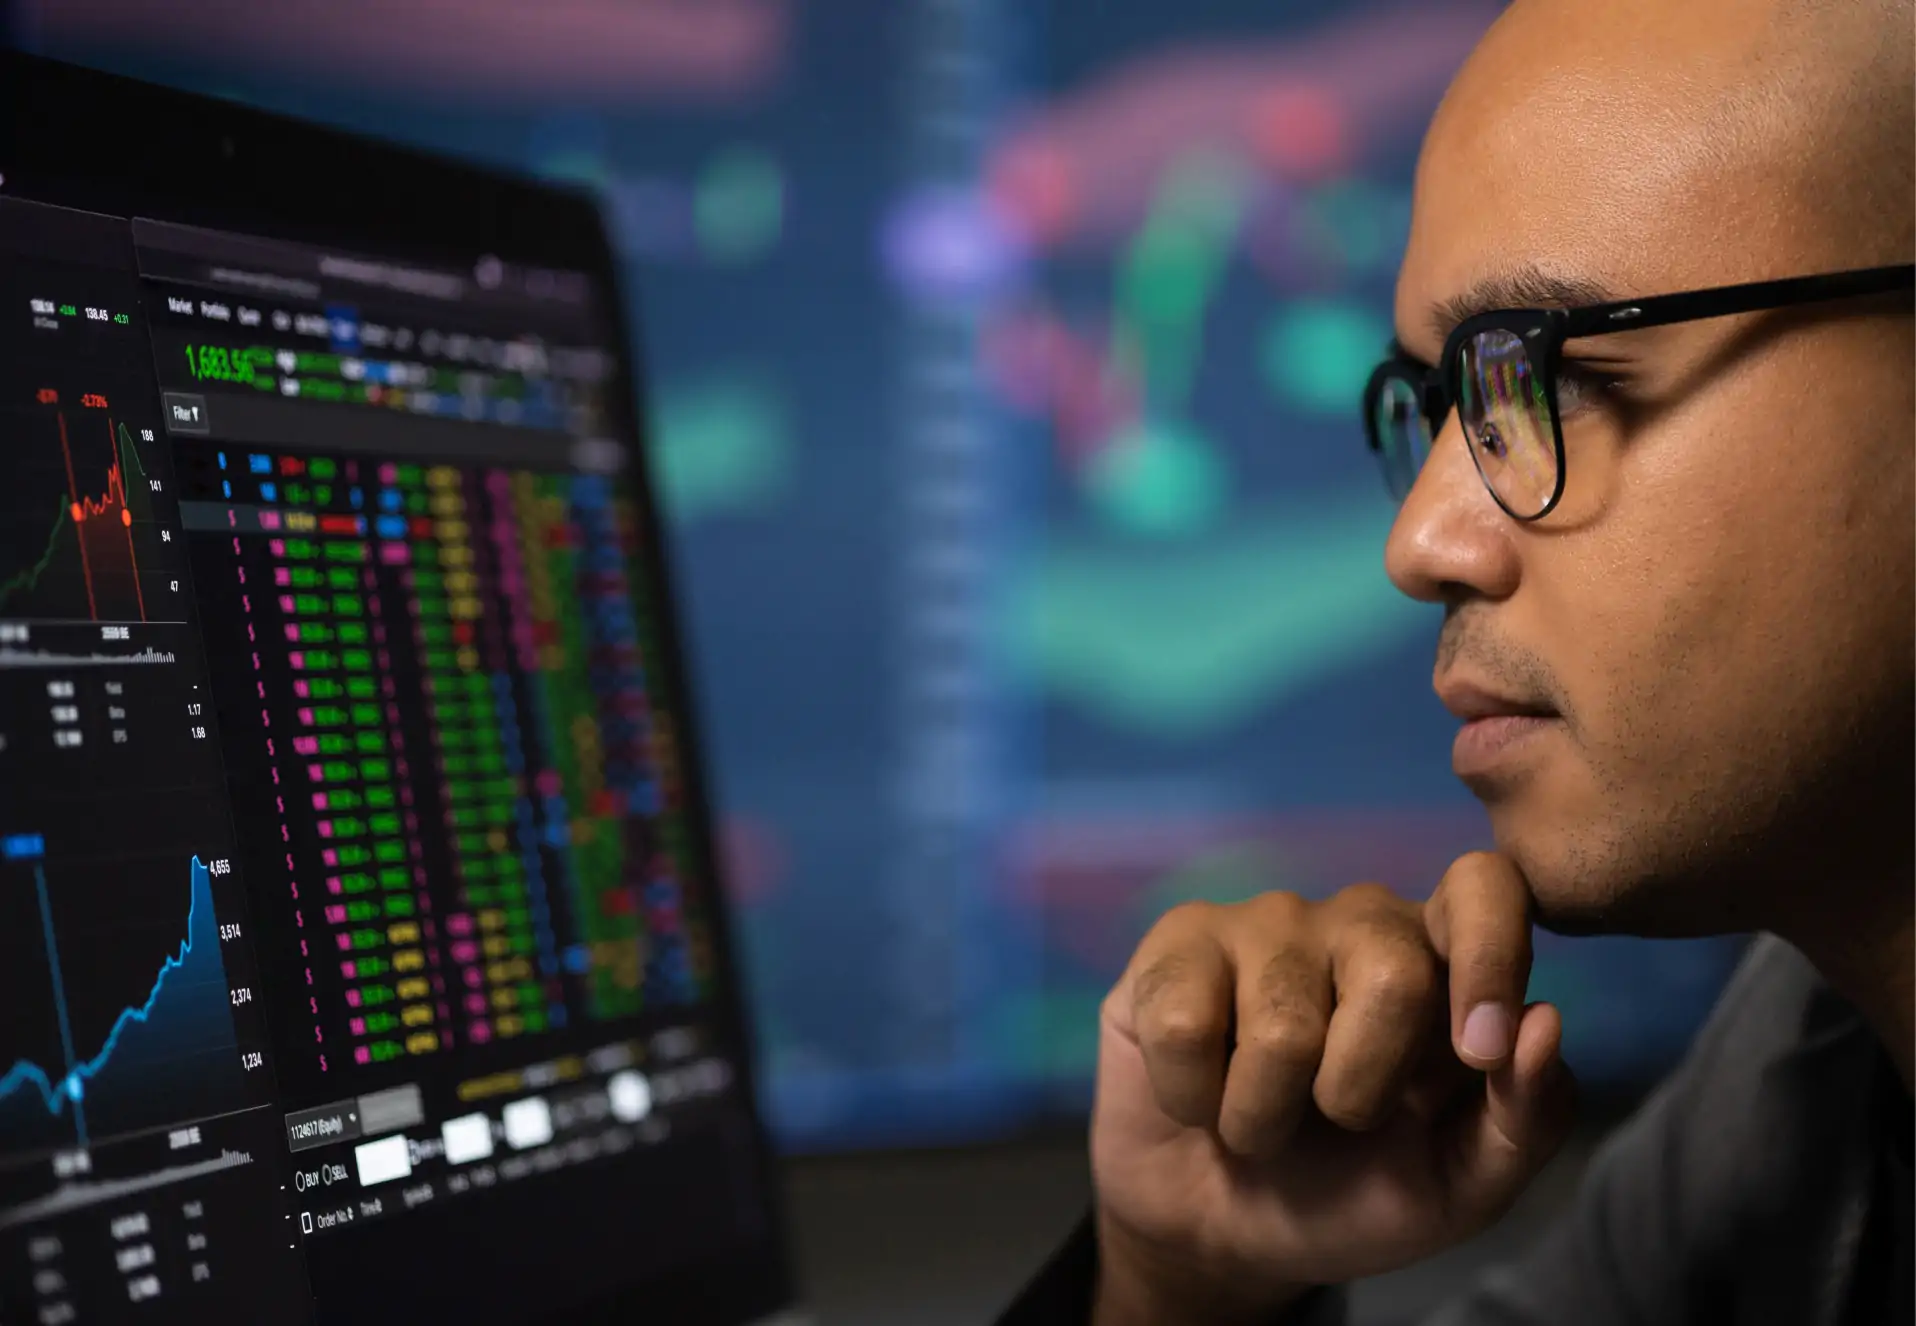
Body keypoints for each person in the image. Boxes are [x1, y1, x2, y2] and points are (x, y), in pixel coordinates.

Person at [997, 0, 1914, 1321]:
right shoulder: (1806, 1075)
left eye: (1553, 371)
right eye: (1436, 406)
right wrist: (1183, 1281)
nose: (1420, 541)